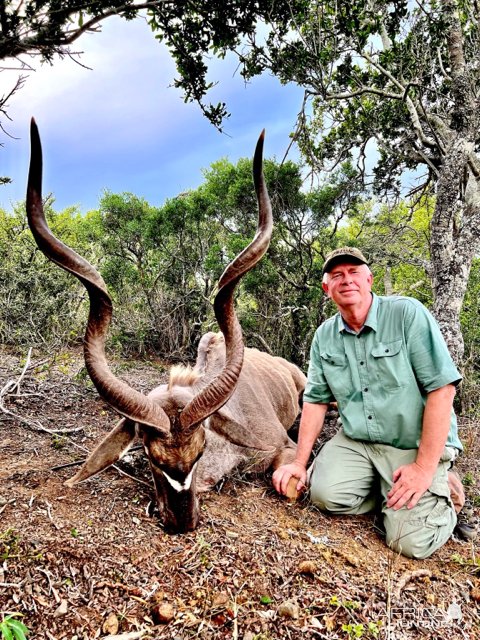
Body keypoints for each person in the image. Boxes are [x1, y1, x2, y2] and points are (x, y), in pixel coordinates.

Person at [273, 247, 473, 559]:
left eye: (354, 272)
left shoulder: (407, 314)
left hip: (413, 444)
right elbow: (315, 400)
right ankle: (389, 491)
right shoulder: (324, 336)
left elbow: (442, 389)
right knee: (324, 496)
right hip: (359, 441)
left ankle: (444, 489)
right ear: (327, 289)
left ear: (369, 279)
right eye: (337, 275)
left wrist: (422, 468)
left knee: (409, 542)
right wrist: (299, 462)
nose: (346, 280)